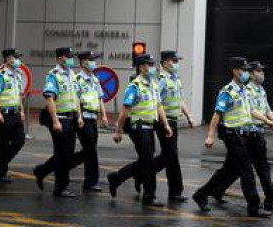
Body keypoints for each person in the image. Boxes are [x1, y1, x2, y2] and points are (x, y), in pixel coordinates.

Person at [192, 57, 271, 218]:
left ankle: (201, 194)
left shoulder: (245, 90)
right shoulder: (228, 92)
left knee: (227, 171)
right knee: (247, 170)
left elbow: (251, 111)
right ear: (235, 71)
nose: (247, 73)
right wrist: (210, 136)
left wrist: (268, 121)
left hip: (245, 135)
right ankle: (253, 207)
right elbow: (217, 115)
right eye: (244, 70)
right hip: (232, 135)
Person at [209, 61, 273, 211]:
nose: (262, 74)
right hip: (247, 134)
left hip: (255, 133)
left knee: (234, 168)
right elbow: (246, 112)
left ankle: (215, 190)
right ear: (251, 74)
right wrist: (211, 135)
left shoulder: (260, 90)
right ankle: (268, 200)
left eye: (263, 71)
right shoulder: (245, 90)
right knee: (254, 168)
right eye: (259, 71)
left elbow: (267, 110)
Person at [108, 53, 172, 208]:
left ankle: (117, 177)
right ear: (142, 67)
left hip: (149, 127)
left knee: (146, 161)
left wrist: (165, 124)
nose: (153, 68)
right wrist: (118, 130)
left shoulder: (154, 85)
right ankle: (149, 197)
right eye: (150, 65)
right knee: (148, 162)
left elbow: (159, 106)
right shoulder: (134, 86)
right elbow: (124, 111)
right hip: (138, 128)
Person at [33, 47, 84, 197]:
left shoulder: (72, 75)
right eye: (68, 57)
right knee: (62, 154)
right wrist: (55, 121)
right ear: (60, 58)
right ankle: (60, 187)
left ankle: (42, 171)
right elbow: (49, 99)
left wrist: (79, 116)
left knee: (67, 154)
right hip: (60, 119)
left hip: (72, 118)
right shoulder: (53, 75)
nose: (71, 59)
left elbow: (76, 98)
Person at [150, 50, 195, 203]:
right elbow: (157, 103)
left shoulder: (176, 80)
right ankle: (175, 192)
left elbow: (180, 100)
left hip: (173, 121)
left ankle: (141, 173)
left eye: (177, 61)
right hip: (164, 122)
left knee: (167, 156)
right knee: (172, 156)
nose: (176, 64)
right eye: (174, 61)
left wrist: (189, 116)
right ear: (165, 63)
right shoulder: (161, 80)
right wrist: (165, 123)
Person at [74, 50, 109, 192]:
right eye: (91, 59)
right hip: (84, 118)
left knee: (89, 150)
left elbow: (100, 98)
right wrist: (79, 117)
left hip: (93, 118)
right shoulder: (78, 79)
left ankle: (57, 165)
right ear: (83, 63)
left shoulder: (95, 79)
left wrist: (104, 115)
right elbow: (75, 99)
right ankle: (91, 181)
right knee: (91, 151)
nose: (94, 62)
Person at [0, 48, 26, 184]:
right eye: (15, 57)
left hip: (16, 113)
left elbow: (19, 96)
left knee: (20, 140)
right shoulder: (1, 75)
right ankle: (1, 173)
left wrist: (22, 111)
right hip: (4, 115)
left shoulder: (17, 75)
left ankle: (0, 163)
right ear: (7, 59)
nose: (18, 60)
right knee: (4, 144)